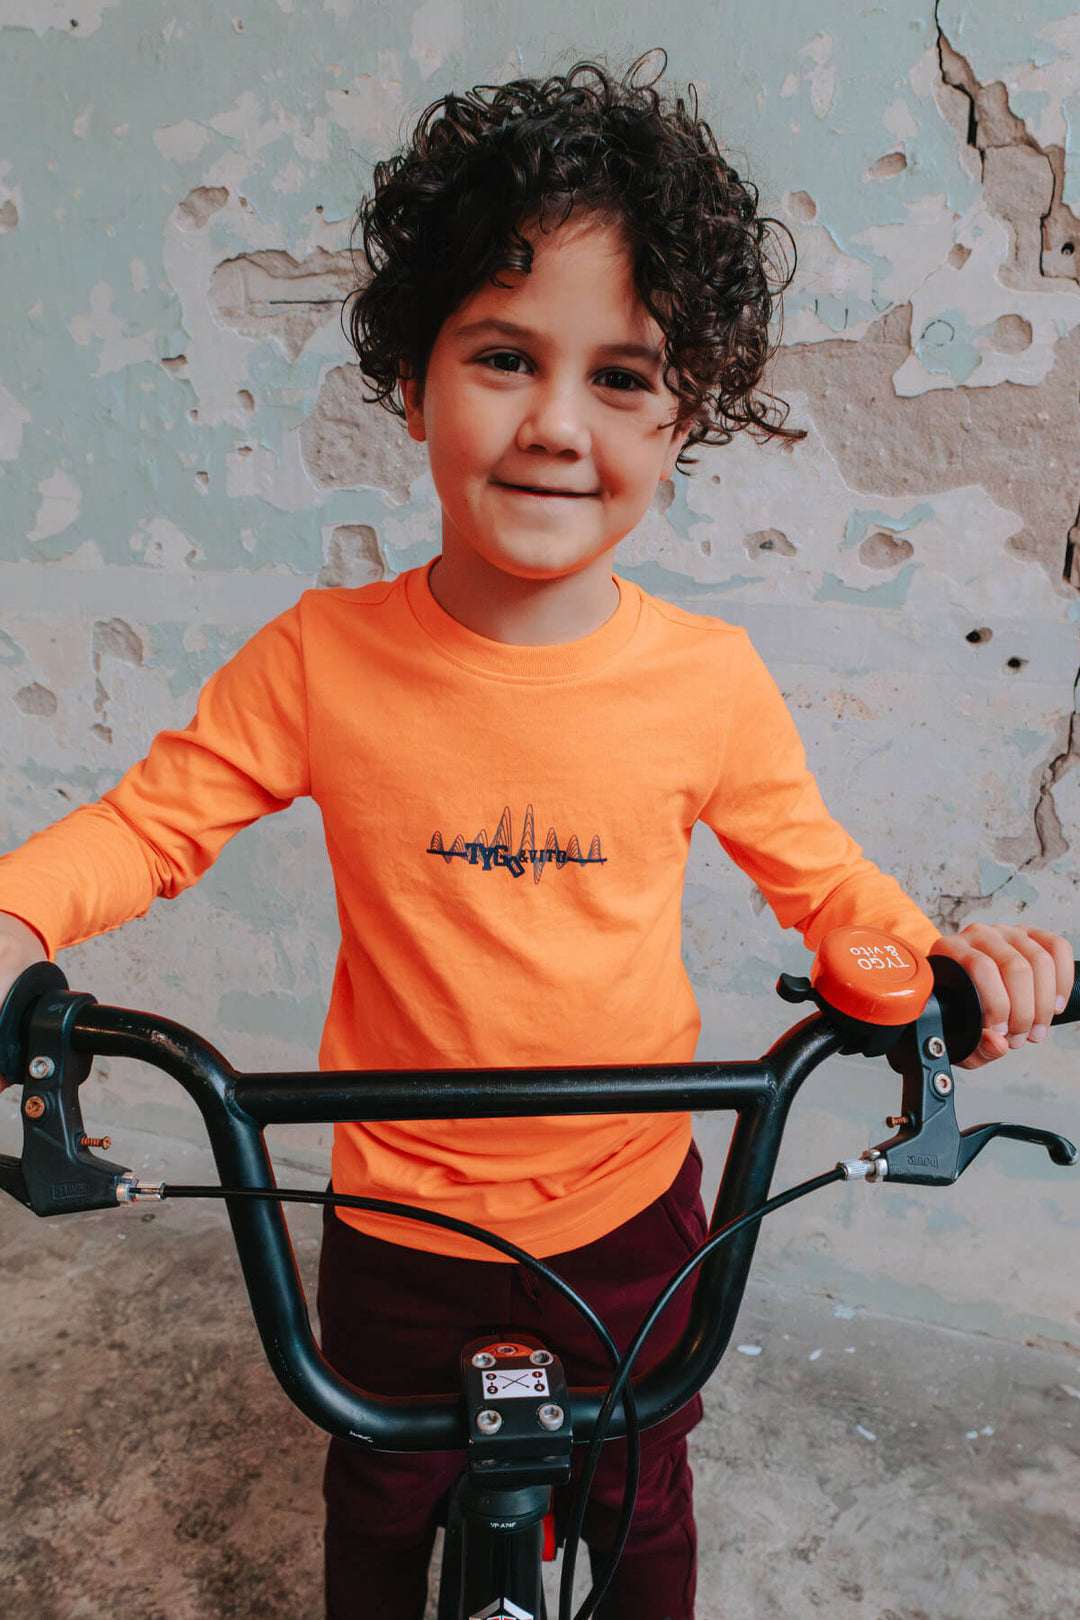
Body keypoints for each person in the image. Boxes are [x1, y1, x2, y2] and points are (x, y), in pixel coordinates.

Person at [0, 49, 1072, 1620]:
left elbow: (828, 885)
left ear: (684, 415)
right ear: (414, 381)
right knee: (376, 1498)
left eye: (622, 376)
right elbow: (151, 826)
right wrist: (19, 918)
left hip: (632, 1208)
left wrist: (928, 976)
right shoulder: (319, 661)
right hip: (395, 1216)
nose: (557, 426)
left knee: (642, 1498)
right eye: (505, 356)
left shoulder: (707, 681)